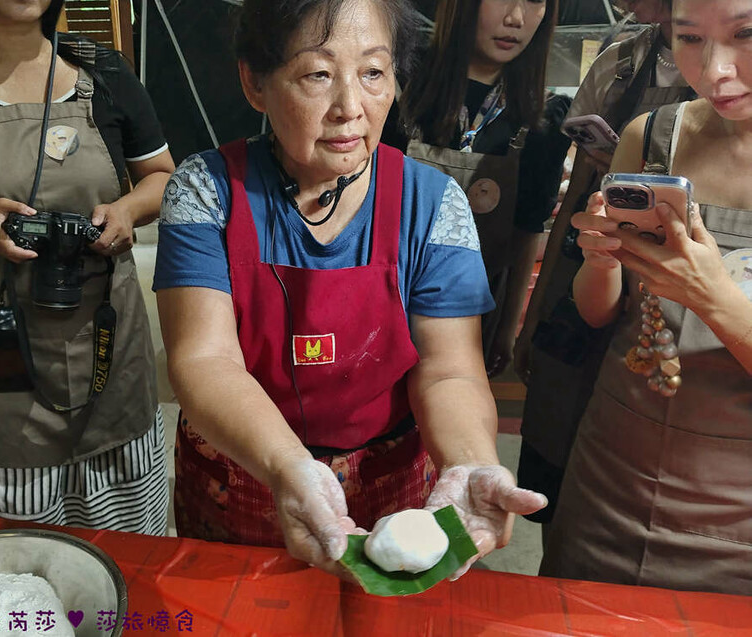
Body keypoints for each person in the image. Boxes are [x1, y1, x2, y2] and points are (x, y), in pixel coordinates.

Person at [154, 0, 547, 576]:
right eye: (317, 74)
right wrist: (290, 467)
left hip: (389, 480)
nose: (350, 109)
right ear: (254, 82)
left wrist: (469, 463)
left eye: (372, 73)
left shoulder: (434, 204)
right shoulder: (206, 191)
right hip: (246, 470)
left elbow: (449, 371)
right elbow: (205, 359)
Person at [0, 0, 175, 533]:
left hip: (104, 325)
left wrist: (126, 210)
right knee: (20, 542)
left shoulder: (104, 69)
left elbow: (161, 176)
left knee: (127, 544)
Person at [541, 0, 752, 594]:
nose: (715, 71)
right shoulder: (656, 134)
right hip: (613, 476)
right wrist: (601, 262)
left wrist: (712, 298)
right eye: (689, 38)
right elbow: (601, 312)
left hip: (739, 513)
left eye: (746, 34)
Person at [514, 0, 695, 535]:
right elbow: (576, 204)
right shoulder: (620, 61)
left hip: (677, 323)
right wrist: (534, 319)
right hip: (589, 281)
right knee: (559, 477)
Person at [386, 0, 572, 377]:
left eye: (535, 1)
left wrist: (506, 329)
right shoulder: (396, 78)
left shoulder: (541, 118)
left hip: (473, 317)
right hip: (383, 300)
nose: (516, 18)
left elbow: (526, 230)